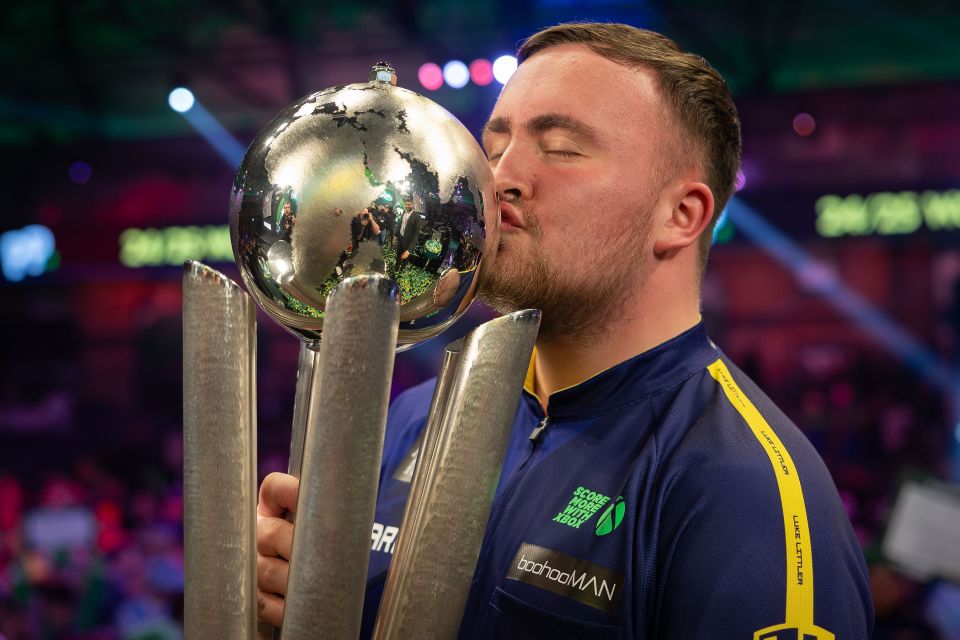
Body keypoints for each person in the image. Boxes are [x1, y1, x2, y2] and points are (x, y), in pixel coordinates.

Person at [255, 22, 874, 638]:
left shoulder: (744, 489)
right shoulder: (416, 419)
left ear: (680, 217)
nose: (498, 180)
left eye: (560, 147)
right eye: (493, 148)